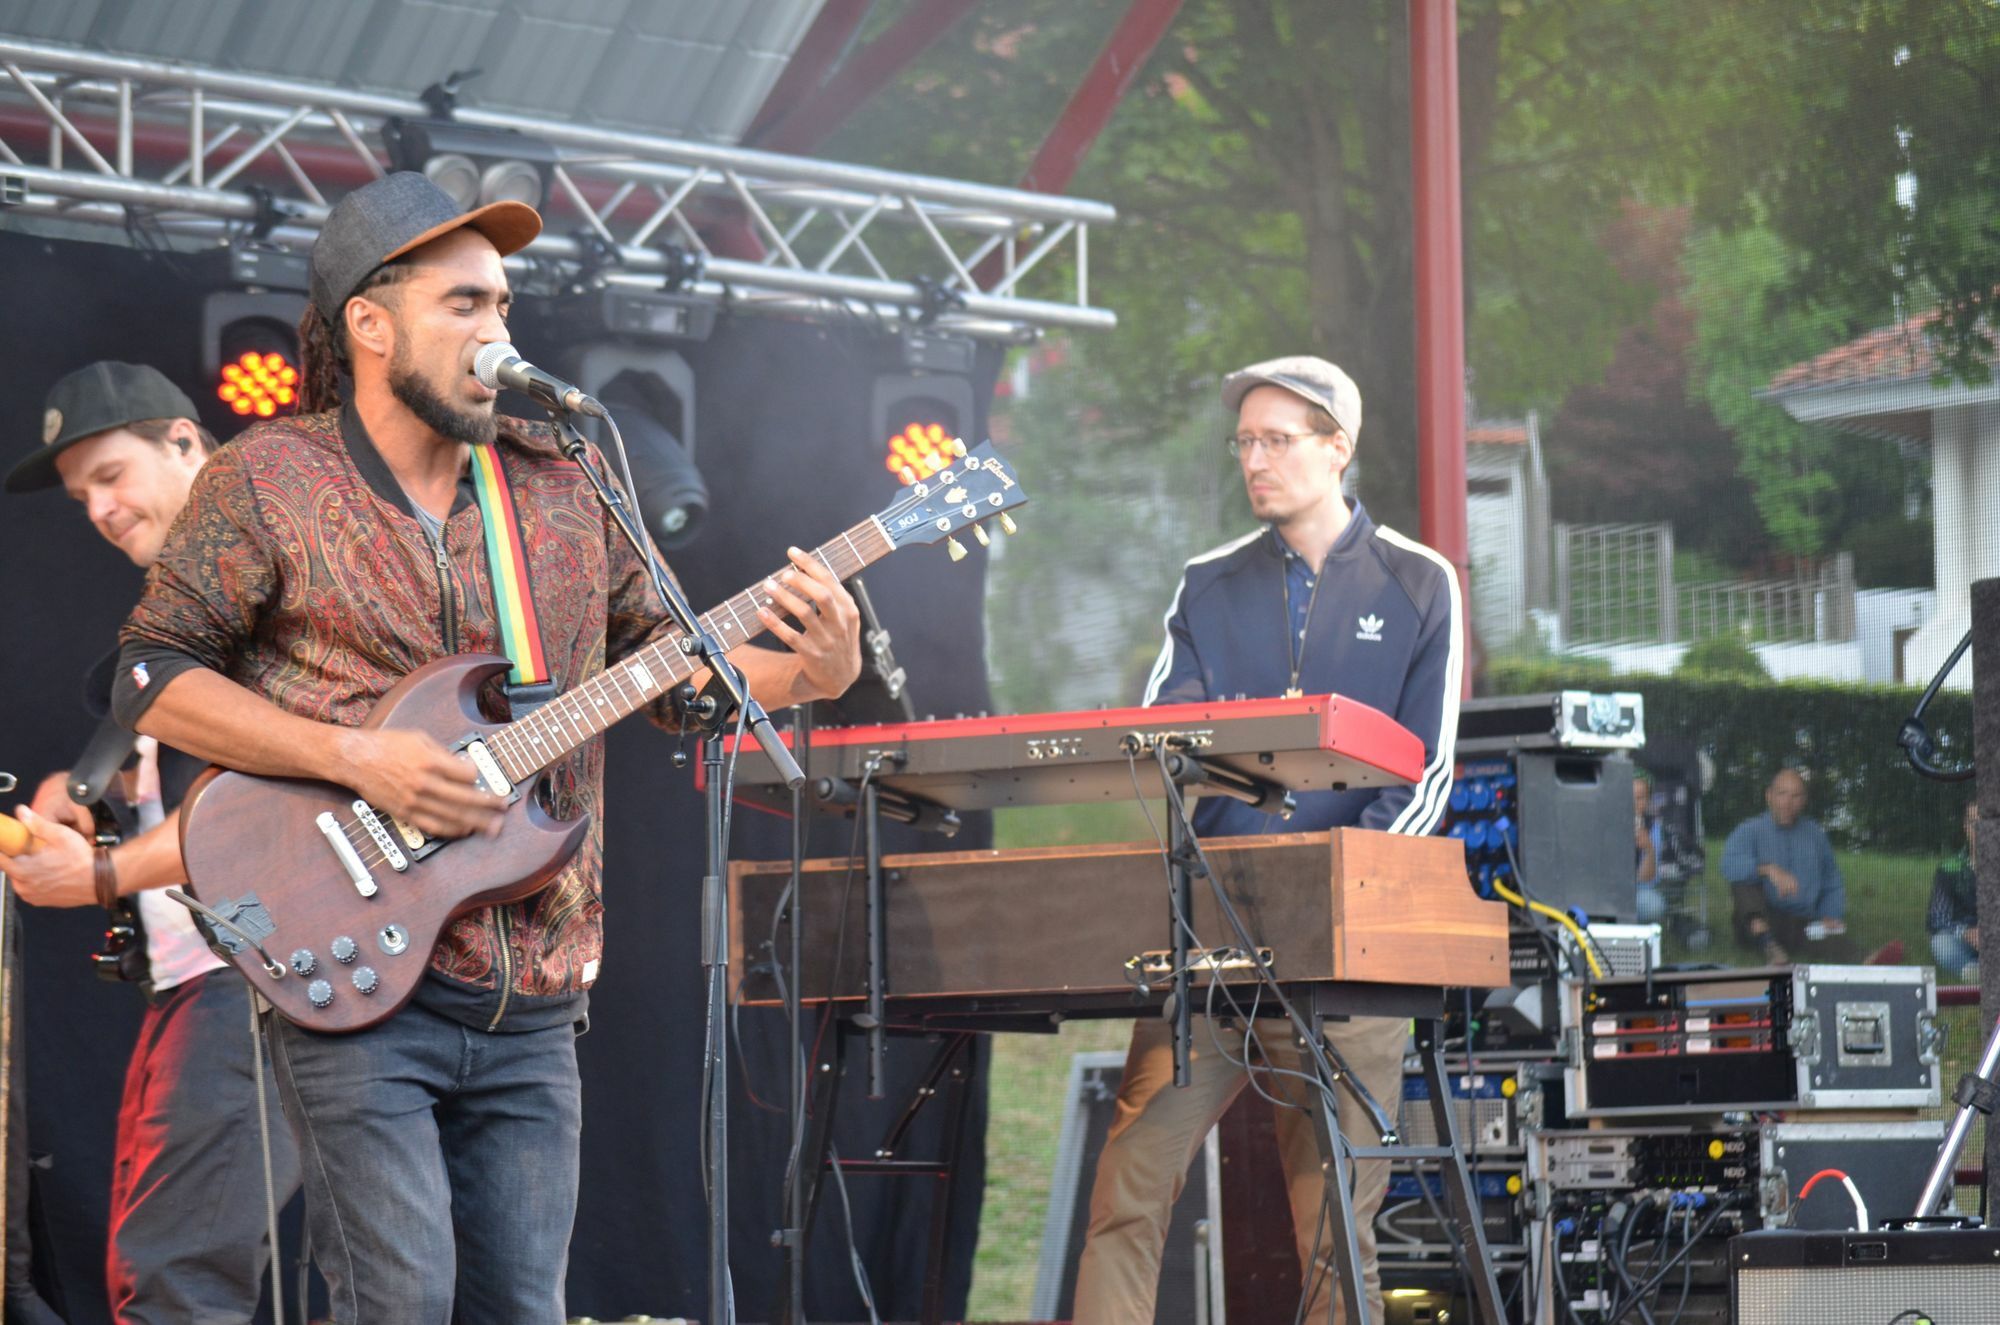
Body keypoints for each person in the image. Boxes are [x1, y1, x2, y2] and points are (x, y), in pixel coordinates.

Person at [107, 172, 863, 1322]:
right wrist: (355, 758)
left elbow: (671, 675)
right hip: (354, 970)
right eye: (462, 303)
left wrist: (810, 675)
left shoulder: (562, 481)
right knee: (401, 1296)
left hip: (537, 989)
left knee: (521, 1304)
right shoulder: (266, 479)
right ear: (370, 323)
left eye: (502, 303)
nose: (495, 327)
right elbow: (152, 677)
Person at [1073, 356, 1462, 1324]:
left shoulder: (1419, 580)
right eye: (1244, 440)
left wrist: (1337, 887)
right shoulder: (1206, 584)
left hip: (1350, 945)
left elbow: (1425, 773)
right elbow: (1162, 751)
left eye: (1277, 439)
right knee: (1127, 1186)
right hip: (1210, 937)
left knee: (1336, 1223)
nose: (1254, 459)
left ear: (1337, 447)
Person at [3, 361, 302, 1324]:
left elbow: (272, 804)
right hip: (196, 978)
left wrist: (101, 871)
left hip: (254, 969)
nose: (98, 509)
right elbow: (204, 775)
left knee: (176, 1279)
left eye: (110, 475)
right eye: (82, 495)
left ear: (183, 441)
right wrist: (93, 792)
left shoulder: (274, 572)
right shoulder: (180, 612)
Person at [1721, 768, 1844, 964]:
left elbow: (1832, 879)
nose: (1787, 803)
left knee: (1840, 946)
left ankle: (1872, 962)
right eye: (1782, 794)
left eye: (1796, 796)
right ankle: (1768, 944)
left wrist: (1830, 913)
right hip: (1761, 920)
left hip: (1802, 921)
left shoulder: (1815, 835)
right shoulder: (1749, 830)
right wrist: (1768, 869)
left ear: (1804, 800)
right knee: (1743, 881)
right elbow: (1728, 866)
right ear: (1769, 796)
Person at [1927, 801, 1979, 983]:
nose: (1980, 831)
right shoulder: (1949, 868)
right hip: (1964, 940)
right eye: (1975, 824)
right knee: (1941, 943)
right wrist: (1966, 932)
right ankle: (1974, 971)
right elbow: (1937, 919)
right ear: (1966, 827)